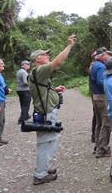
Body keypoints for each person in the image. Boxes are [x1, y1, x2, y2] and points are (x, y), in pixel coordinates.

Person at [29, 34, 76, 185]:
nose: (47, 55)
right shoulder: (40, 70)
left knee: (50, 141)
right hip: (46, 112)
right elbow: (58, 61)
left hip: (46, 111)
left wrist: (54, 89)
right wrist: (69, 45)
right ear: (38, 59)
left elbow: (40, 90)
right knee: (45, 142)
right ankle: (40, 175)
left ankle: (44, 168)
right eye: (44, 54)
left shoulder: (37, 74)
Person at [89, 47, 112, 158]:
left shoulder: (94, 65)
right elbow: (100, 81)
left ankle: (97, 146)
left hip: (96, 96)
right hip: (102, 97)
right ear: (102, 56)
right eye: (107, 55)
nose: (109, 57)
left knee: (99, 123)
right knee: (107, 123)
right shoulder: (100, 66)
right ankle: (102, 149)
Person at [16, 60, 31, 124]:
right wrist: (31, 83)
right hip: (25, 90)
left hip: (19, 90)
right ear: (23, 65)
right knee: (26, 105)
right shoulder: (24, 72)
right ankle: (21, 120)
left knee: (22, 104)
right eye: (27, 64)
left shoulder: (18, 71)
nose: (29, 66)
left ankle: (26, 115)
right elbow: (25, 82)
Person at [88, 50, 97, 143]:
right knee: (97, 114)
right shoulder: (93, 66)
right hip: (95, 93)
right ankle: (94, 135)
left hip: (93, 92)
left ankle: (94, 135)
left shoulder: (93, 66)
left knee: (96, 114)